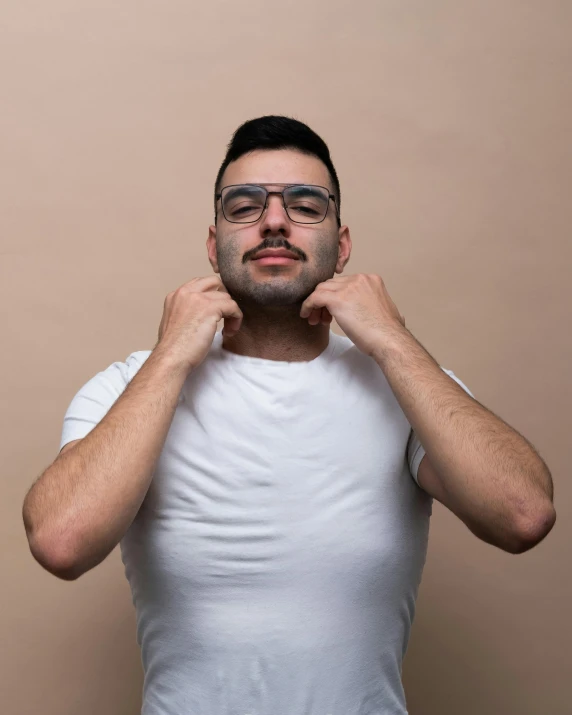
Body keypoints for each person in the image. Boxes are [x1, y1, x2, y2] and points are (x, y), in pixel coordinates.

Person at [23, 115, 556, 715]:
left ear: (342, 243)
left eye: (304, 204)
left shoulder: (405, 383)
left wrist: (394, 341)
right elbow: (61, 543)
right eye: (244, 205)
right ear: (213, 242)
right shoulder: (130, 385)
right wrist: (172, 356)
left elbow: (523, 515)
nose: (274, 221)